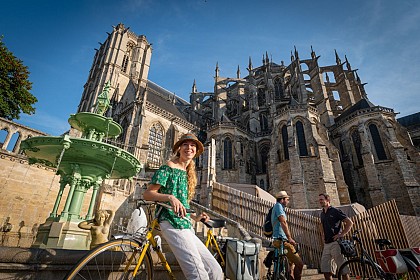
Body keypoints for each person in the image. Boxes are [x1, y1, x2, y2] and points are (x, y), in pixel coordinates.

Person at [143, 133, 223, 280]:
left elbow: (182, 205)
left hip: (186, 225)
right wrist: (169, 197)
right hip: (170, 222)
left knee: (215, 270)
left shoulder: (188, 174)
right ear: (179, 148)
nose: (189, 148)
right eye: (185, 144)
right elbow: (148, 194)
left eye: (193, 145)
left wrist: (196, 217)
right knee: (198, 275)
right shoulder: (168, 168)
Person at [319, 193, 353, 280]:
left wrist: (341, 234)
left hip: (336, 243)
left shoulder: (335, 211)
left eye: (322, 199)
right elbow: (322, 226)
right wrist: (323, 236)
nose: (320, 201)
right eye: (319, 200)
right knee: (326, 269)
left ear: (328, 200)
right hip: (327, 244)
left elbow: (349, 222)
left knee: (343, 269)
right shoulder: (322, 213)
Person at [270, 191, 303, 280]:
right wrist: (289, 238)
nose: (288, 201)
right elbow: (283, 222)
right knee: (299, 264)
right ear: (282, 200)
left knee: (290, 265)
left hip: (281, 240)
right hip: (281, 241)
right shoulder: (278, 207)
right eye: (287, 199)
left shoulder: (278, 207)